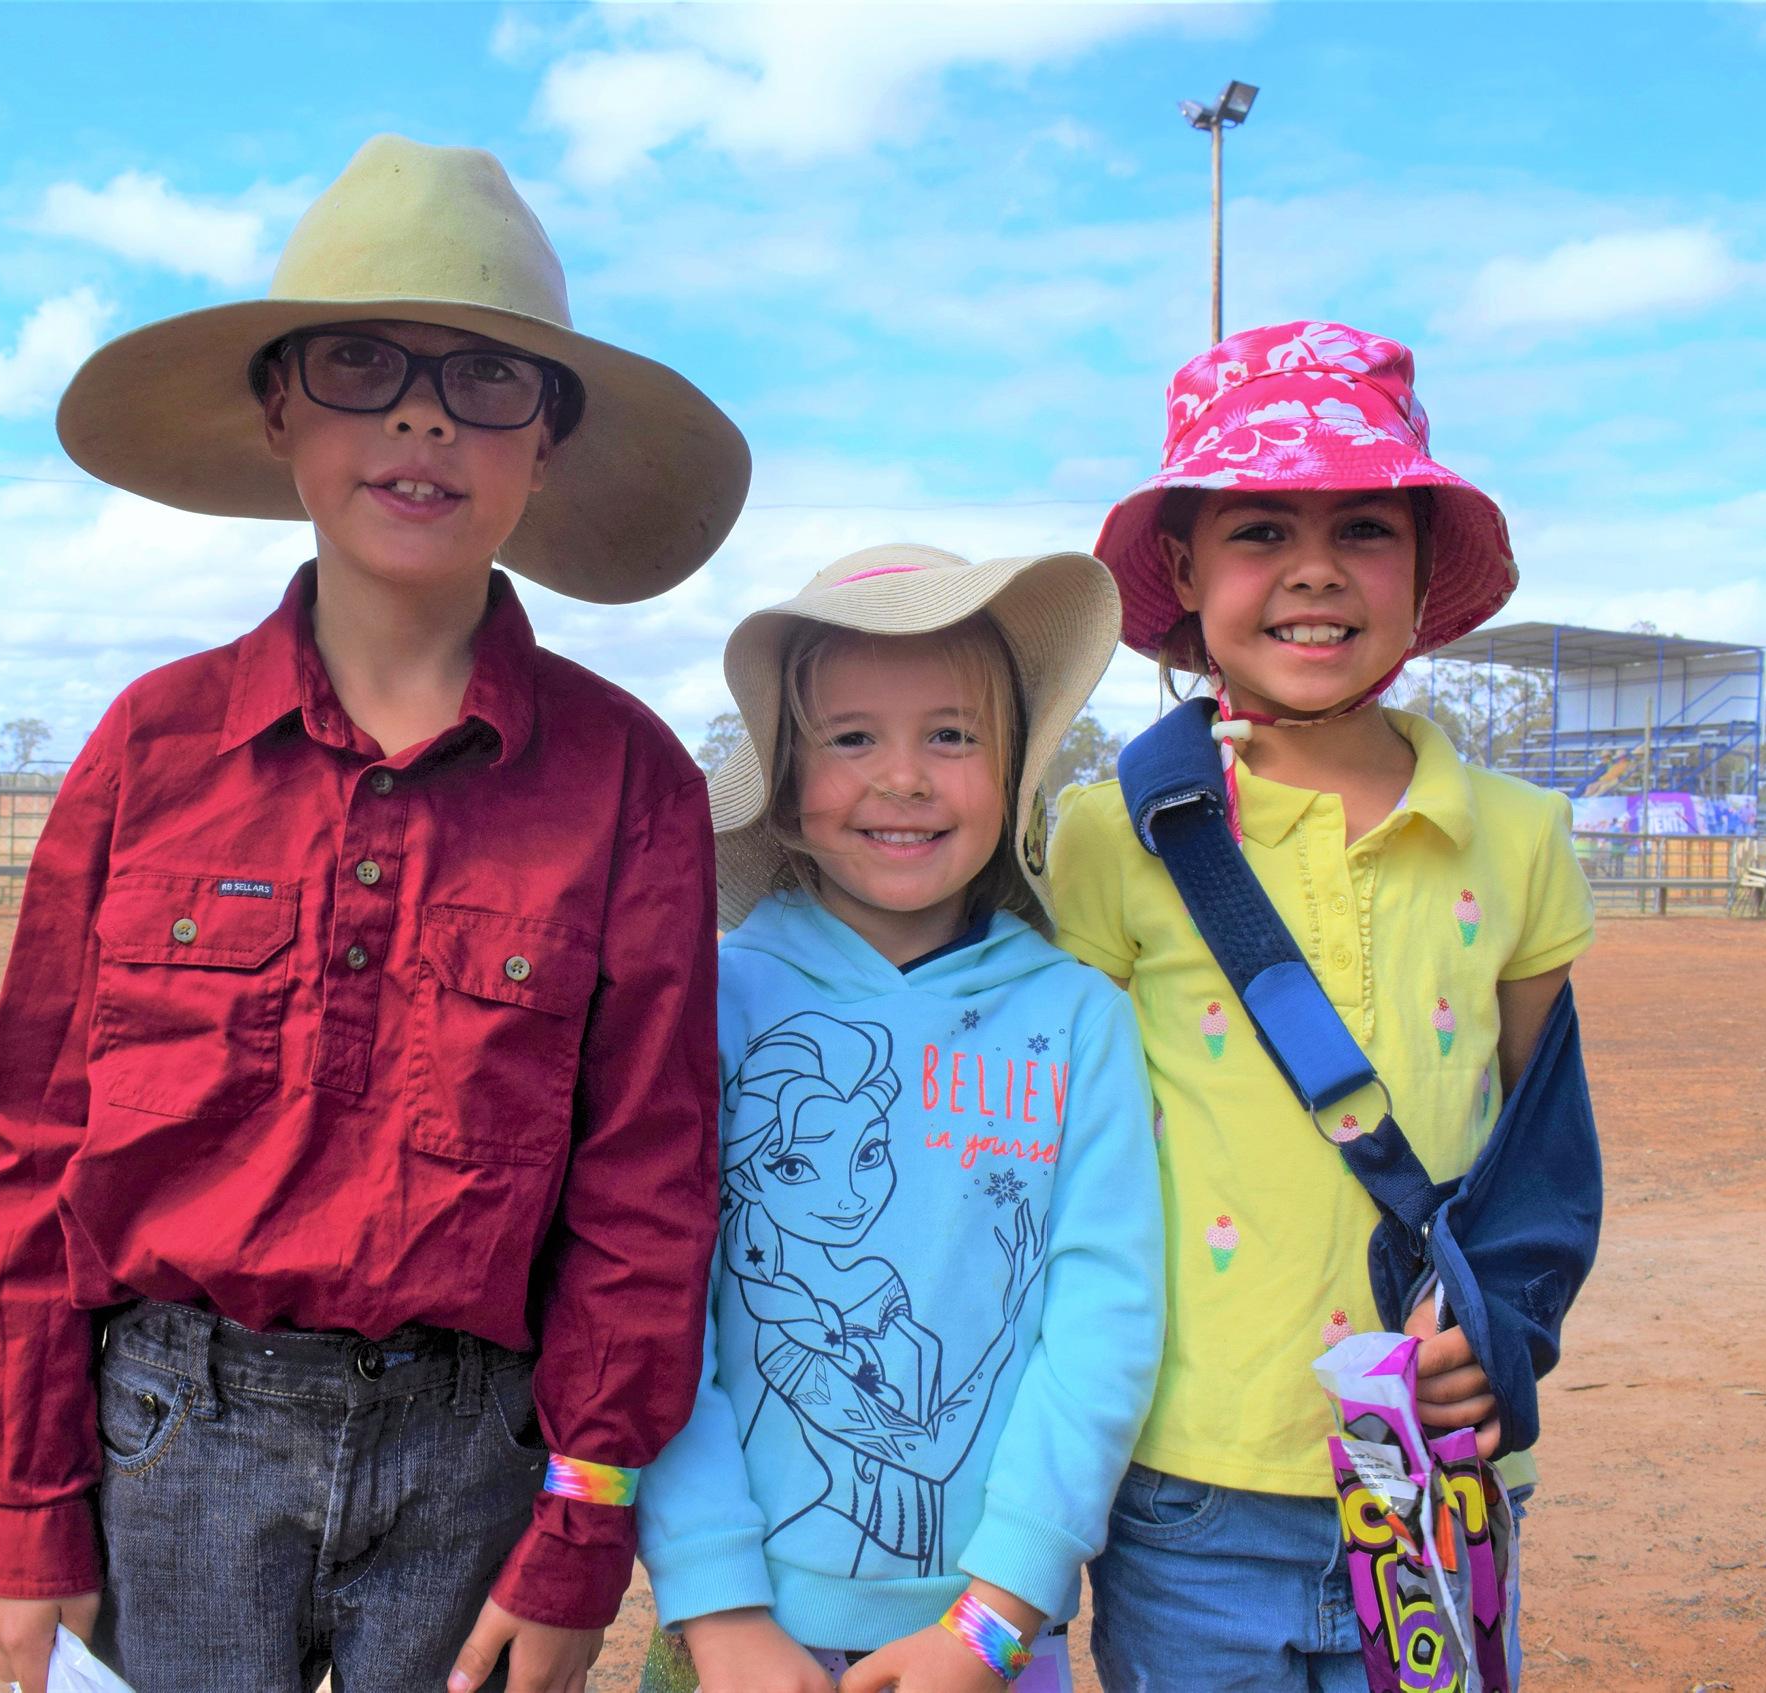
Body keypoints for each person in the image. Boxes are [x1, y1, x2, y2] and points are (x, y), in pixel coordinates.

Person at [0, 135, 750, 1693]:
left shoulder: (627, 785)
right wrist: (25, 1504)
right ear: (277, 411)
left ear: (550, 445)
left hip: (475, 1456)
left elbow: (646, 1183)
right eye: (362, 365)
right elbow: (30, 1144)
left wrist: (583, 1525)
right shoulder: (152, 748)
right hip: (169, 1444)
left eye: (486, 381)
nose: (421, 417)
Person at [1048, 321, 1597, 1690]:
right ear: (1179, 568)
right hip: (1188, 1484)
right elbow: (1055, 1160)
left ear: (1420, 570)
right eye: (1254, 530)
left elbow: (1545, 1153)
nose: (1310, 569)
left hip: (1442, 1471)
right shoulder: (1105, 838)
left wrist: (1502, 1328)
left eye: (1362, 526)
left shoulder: (1517, 836)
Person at [637, 545, 1164, 1693]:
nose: (906, 779)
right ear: (781, 775)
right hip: (735, 1634)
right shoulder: (707, 1004)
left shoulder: (1078, 1022)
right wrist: (718, 1607)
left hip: (991, 1640)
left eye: (952, 735)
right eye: (852, 737)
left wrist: (998, 1614)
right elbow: (653, 1314)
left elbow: (1103, 1327)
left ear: (1015, 766)